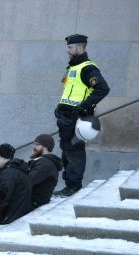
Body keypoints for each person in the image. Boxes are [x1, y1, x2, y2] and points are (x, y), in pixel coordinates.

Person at [53, 34, 109, 197]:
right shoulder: (72, 67)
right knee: (66, 149)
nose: (68, 51)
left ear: (80, 47)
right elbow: (69, 92)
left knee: (74, 150)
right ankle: (69, 184)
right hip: (65, 116)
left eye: (70, 48)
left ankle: (73, 186)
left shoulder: (88, 68)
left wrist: (83, 107)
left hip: (75, 117)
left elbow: (102, 89)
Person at [0, 143, 32, 226]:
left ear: (4, 156)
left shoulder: (9, 174)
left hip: (11, 219)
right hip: (17, 216)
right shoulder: (17, 170)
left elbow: (2, 198)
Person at [28, 134, 63, 209]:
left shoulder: (45, 163)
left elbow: (29, 180)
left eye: (37, 145)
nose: (34, 147)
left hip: (34, 203)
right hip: (33, 201)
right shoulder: (42, 161)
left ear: (46, 147)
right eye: (34, 144)